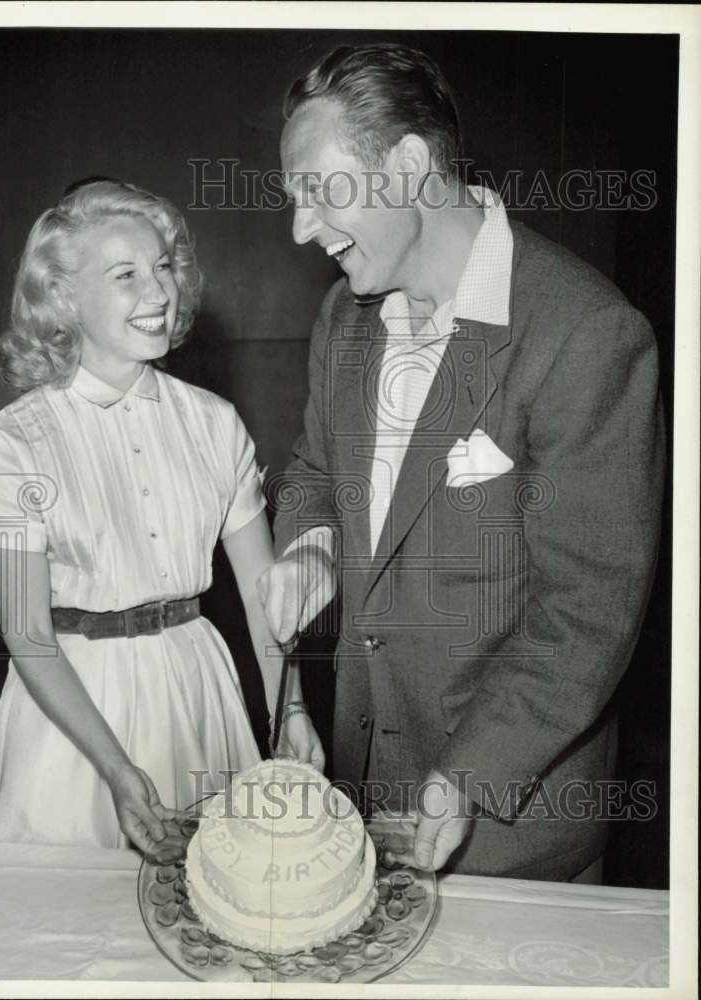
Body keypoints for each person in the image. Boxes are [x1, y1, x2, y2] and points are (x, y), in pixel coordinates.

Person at [258, 43, 665, 881]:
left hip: (505, 833)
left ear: (407, 166)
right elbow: (310, 474)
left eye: (319, 192)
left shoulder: (585, 333)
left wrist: (461, 781)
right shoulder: (344, 314)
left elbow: (585, 618)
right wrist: (310, 545)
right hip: (363, 799)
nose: (300, 230)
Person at [0, 180, 324, 856]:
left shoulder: (214, 424)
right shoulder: (16, 442)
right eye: (124, 275)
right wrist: (116, 768)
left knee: (212, 909)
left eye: (162, 268)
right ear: (63, 297)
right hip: (73, 713)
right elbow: (28, 634)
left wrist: (289, 707)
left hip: (196, 688)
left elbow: (262, 592)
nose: (158, 292)